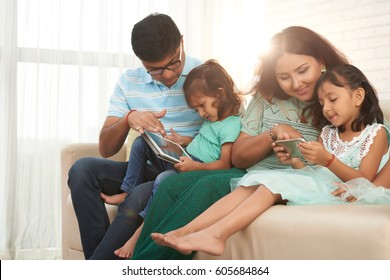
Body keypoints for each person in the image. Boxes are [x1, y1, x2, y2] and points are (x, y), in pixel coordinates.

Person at [130, 26, 350, 260]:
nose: (296, 83)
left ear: (321, 61)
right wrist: (272, 134)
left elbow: (362, 144)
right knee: (171, 185)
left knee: (209, 187)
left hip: (295, 180)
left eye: (303, 71)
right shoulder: (267, 97)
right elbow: (239, 157)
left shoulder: (340, 98)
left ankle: (148, 264)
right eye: (283, 77)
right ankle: (140, 262)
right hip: (250, 172)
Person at [151, 64, 390, 256]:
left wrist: (327, 159)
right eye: (321, 103)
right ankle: (186, 231)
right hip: (318, 180)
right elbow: (310, 169)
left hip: (343, 188)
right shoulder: (327, 133)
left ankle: (217, 235)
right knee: (248, 185)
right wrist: (296, 159)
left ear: (358, 96)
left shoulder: (375, 133)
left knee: (269, 186)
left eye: (332, 99)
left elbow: (365, 180)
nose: (326, 108)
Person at [67, 13, 203, 260]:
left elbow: (232, 134)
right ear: (141, 61)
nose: (168, 75)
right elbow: (106, 148)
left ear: (181, 43)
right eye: (155, 70)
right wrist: (129, 118)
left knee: (140, 195)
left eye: (173, 63)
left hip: (182, 172)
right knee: (82, 170)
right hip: (142, 168)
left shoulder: (205, 75)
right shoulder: (129, 81)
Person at [114, 59, 243, 258]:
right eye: (196, 109)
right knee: (141, 143)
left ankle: (136, 237)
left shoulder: (231, 125)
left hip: (194, 166)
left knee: (163, 180)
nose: (201, 113)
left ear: (220, 93)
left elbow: (225, 163)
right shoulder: (213, 118)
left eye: (202, 105)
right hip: (185, 156)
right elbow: (205, 142)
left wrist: (195, 167)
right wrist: (182, 140)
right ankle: (127, 191)